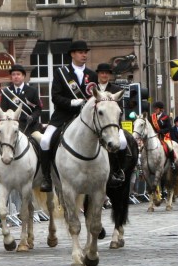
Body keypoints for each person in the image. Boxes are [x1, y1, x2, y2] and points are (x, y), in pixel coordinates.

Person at [39, 40, 128, 192]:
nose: (84, 55)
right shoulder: (61, 73)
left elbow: (96, 98)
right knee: (45, 141)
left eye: (85, 52)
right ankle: (46, 178)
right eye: (81, 52)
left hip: (87, 118)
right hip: (64, 115)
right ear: (72, 54)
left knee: (110, 139)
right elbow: (55, 97)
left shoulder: (92, 74)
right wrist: (73, 102)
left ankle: (113, 172)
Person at [0, 64, 42, 179]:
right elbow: (4, 110)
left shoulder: (32, 91)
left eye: (18, 74)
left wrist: (32, 117)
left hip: (29, 126)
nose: (15, 77)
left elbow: (38, 109)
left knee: (42, 141)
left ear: (23, 76)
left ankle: (45, 171)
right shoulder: (6, 92)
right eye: (13, 75)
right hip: (10, 128)